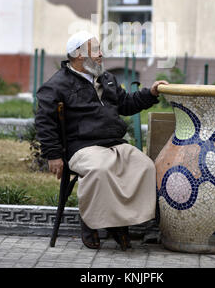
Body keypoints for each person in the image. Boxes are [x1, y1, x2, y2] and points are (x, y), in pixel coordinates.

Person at [35, 30, 168, 251]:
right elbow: (44, 121)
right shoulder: (57, 84)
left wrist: (151, 94)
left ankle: (120, 222)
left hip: (114, 143)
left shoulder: (107, 79)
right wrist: (53, 155)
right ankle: (90, 222)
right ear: (78, 55)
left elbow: (126, 104)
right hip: (82, 147)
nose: (101, 54)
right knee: (101, 169)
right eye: (95, 50)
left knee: (144, 166)